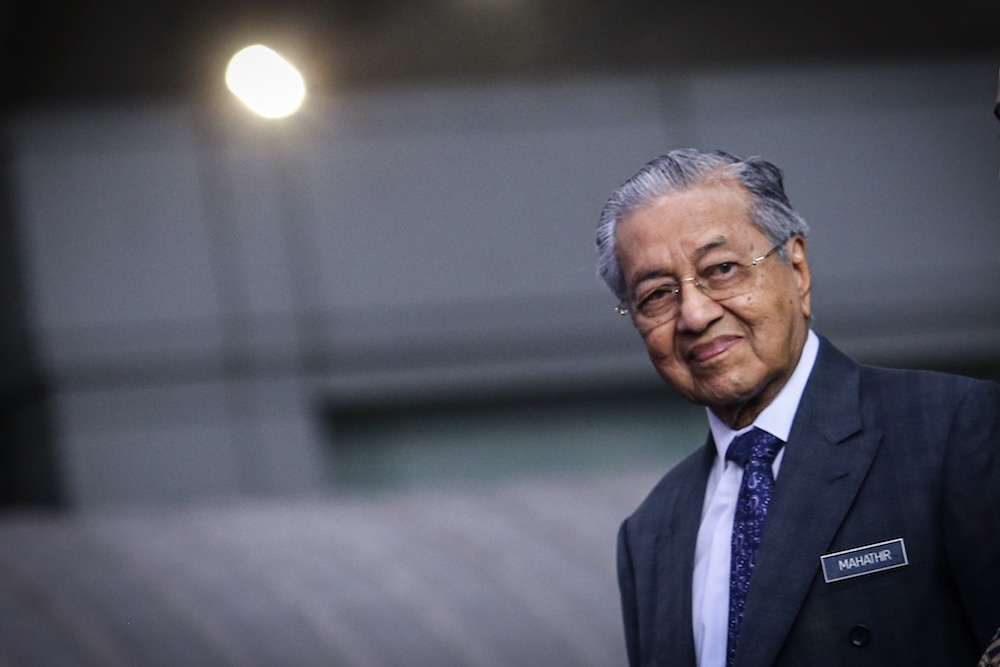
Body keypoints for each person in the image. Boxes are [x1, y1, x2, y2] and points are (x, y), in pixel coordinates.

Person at [596, 149, 1000, 666]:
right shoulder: (650, 532)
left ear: (799, 269)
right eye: (657, 295)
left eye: (721, 269)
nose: (694, 314)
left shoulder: (949, 430)